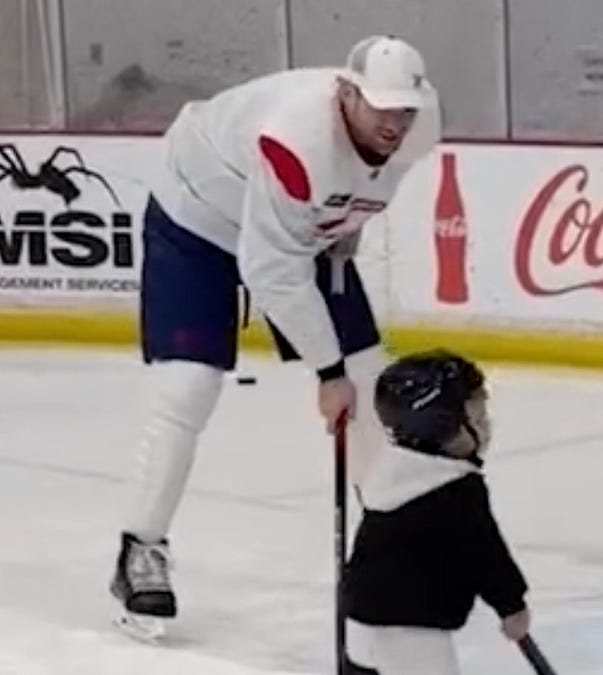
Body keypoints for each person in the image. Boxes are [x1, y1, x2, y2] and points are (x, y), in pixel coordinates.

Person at [109, 35, 441, 640]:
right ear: (346, 94)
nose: (395, 122)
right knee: (188, 388)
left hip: (300, 228)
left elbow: (366, 187)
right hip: (198, 218)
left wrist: (347, 230)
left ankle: (394, 547)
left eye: (404, 109)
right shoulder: (296, 140)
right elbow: (272, 273)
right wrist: (327, 374)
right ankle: (140, 550)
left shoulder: (420, 126)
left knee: (371, 382)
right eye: (380, 107)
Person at [341, 349, 531, 675]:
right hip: (412, 637)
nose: (487, 427)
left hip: (358, 626)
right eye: (477, 419)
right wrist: (511, 605)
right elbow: (484, 554)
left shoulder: (390, 474)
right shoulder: (455, 489)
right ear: (442, 428)